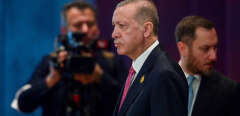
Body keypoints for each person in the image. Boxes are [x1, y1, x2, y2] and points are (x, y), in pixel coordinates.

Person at [11, 1, 127, 116]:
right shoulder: (53, 62)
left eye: (90, 24)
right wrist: (51, 79)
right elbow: (22, 105)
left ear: (97, 28)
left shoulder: (112, 61)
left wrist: (101, 78)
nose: (85, 30)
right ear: (64, 30)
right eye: (78, 25)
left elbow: (131, 104)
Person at [111, 0, 188, 116]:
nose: (114, 34)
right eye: (114, 26)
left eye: (122, 26)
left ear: (147, 29)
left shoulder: (164, 74)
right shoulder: (138, 69)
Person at [175, 15, 239, 116]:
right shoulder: (158, 81)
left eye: (215, 48)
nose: (213, 57)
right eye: (205, 49)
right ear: (182, 48)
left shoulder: (228, 91)